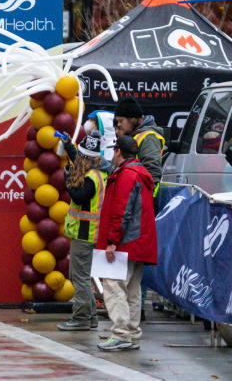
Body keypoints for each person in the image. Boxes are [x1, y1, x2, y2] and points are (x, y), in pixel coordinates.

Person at [95, 135, 157, 351]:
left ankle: (121, 334)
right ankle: (131, 335)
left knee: (113, 286)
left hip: (125, 243)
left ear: (118, 151)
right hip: (139, 243)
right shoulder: (141, 174)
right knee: (132, 289)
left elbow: (121, 210)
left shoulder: (126, 175)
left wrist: (112, 241)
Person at [56, 131, 105, 332]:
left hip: (86, 231)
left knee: (79, 276)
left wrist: (68, 178)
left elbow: (78, 196)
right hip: (91, 231)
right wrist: (68, 144)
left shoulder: (91, 179)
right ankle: (90, 316)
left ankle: (82, 317)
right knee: (83, 275)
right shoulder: (98, 173)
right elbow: (79, 156)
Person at [113, 98, 164, 186]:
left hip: (139, 196)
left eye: (121, 120)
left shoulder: (149, 138)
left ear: (133, 119)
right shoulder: (134, 135)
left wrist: (141, 195)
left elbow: (152, 172)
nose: (118, 125)